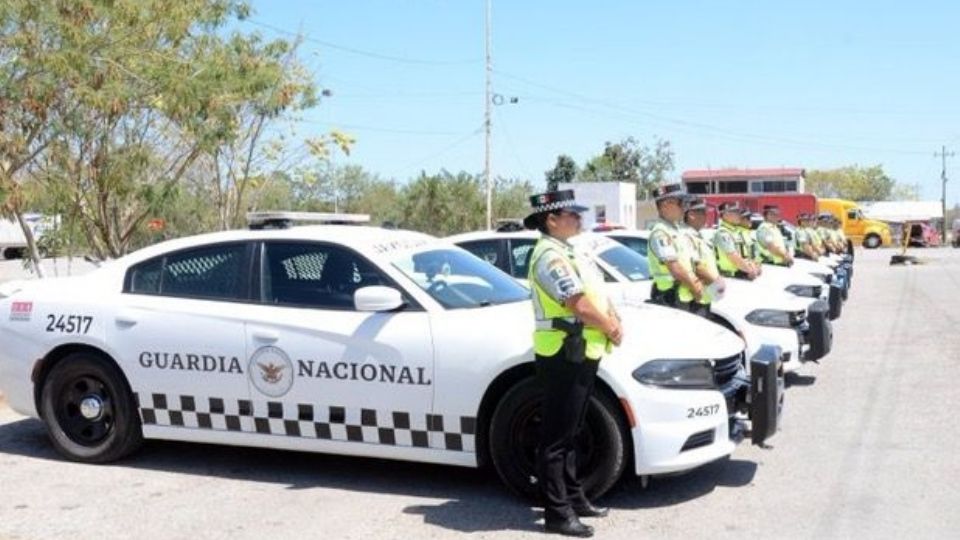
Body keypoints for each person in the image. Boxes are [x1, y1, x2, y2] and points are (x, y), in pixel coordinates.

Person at [523, 189, 623, 538]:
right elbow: (577, 304)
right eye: (572, 215)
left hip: (582, 350)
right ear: (551, 219)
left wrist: (612, 317)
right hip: (563, 352)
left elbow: (596, 294)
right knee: (556, 438)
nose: (579, 219)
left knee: (572, 431)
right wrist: (609, 325)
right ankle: (557, 513)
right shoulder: (549, 255)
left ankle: (575, 496)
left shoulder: (569, 251)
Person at [646, 183, 704, 309]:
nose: (684, 208)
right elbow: (675, 267)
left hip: (681, 297)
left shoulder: (676, 230)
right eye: (680, 203)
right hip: (669, 298)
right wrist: (695, 287)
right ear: (665, 204)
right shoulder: (660, 233)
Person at [680, 197, 725, 318]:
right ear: (691, 215)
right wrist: (717, 284)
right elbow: (697, 267)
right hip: (694, 299)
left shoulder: (698, 236)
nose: (706, 216)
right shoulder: (685, 236)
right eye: (703, 213)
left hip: (705, 296)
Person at [713, 202, 760, 280]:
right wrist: (750, 270)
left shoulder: (736, 232)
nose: (739, 215)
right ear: (725, 215)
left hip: (742, 275)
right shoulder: (723, 233)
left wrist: (755, 265)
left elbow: (747, 255)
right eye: (735, 212)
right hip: (730, 277)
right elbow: (733, 256)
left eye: (738, 212)